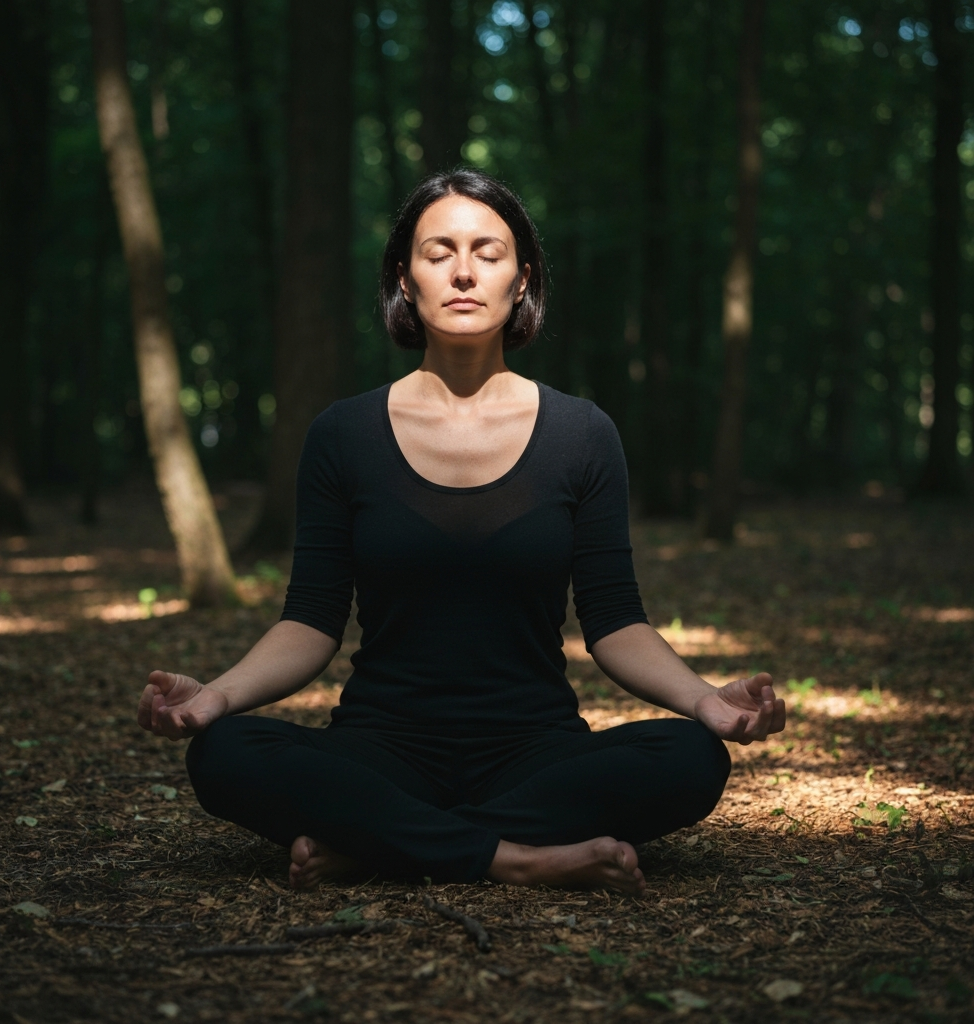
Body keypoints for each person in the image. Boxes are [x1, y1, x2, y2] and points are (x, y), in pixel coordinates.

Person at [137, 169, 786, 895]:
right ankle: (517, 856)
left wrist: (704, 700)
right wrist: (214, 699)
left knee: (692, 758)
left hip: (536, 750)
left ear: (522, 280)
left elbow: (615, 623)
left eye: (489, 251)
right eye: (438, 251)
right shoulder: (342, 435)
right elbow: (310, 623)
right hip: (379, 747)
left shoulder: (584, 434)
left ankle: (379, 843)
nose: (465, 271)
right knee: (222, 754)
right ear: (405, 281)